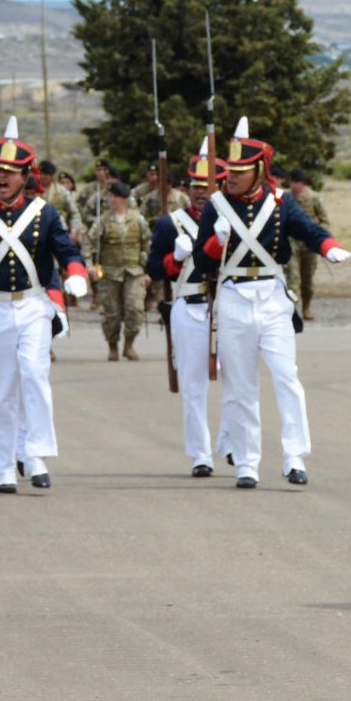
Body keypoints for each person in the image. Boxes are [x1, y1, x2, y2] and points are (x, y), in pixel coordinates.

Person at [190, 117, 350, 489]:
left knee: (286, 376)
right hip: (232, 297)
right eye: (229, 170)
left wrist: (329, 247)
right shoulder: (216, 205)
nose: (231, 177)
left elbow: (309, 230)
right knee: (240, 386)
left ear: (259, 171)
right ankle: (247, 462)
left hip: (272, 297)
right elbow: (201, 263)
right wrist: (215, 242)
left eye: (241, 171)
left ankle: (295, 456)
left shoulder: (280, 203)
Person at [0, 119, 87, 492]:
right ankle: (4, 465)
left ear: (26, 176)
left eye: (10, 172)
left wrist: (75, 272)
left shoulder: (44, 212)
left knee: (34, 374)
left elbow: (65, 248)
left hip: (33, 306)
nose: (2, 177)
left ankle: (35, 451)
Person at [147, 140, 222, 476]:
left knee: (238, 380)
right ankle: (200, 454)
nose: (200, 194)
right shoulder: (170, 224)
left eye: (206, 188)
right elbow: (153, 269)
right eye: (195, 188)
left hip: (226, 306)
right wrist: (174, 258)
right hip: (189, 304)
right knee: (193, 384)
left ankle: (235, 444)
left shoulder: (234, 220)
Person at [90, 180, 149, 361]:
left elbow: (147, 243)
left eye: (115, 196)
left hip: (134, 271)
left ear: (124, 199)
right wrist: (89, 265)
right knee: (112, 312)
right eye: (110, 196)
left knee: (135, 308)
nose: (112, 200)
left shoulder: (138, 219)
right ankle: (113, 345)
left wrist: (147, 270)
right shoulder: (103, 220)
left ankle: (129, 345)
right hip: (109, 272)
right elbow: (90, 244)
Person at [287, 168, 330, 321]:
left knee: (308, 279)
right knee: (292, 278)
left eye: (297, 182)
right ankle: (292, 311)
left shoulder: (313, 198)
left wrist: (320, 238)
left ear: (303, 183)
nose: (294, 186)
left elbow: (324, 220)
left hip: (309, 244)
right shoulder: (286, 197)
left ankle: (307, 307)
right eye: (292, 182)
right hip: (291, 243)